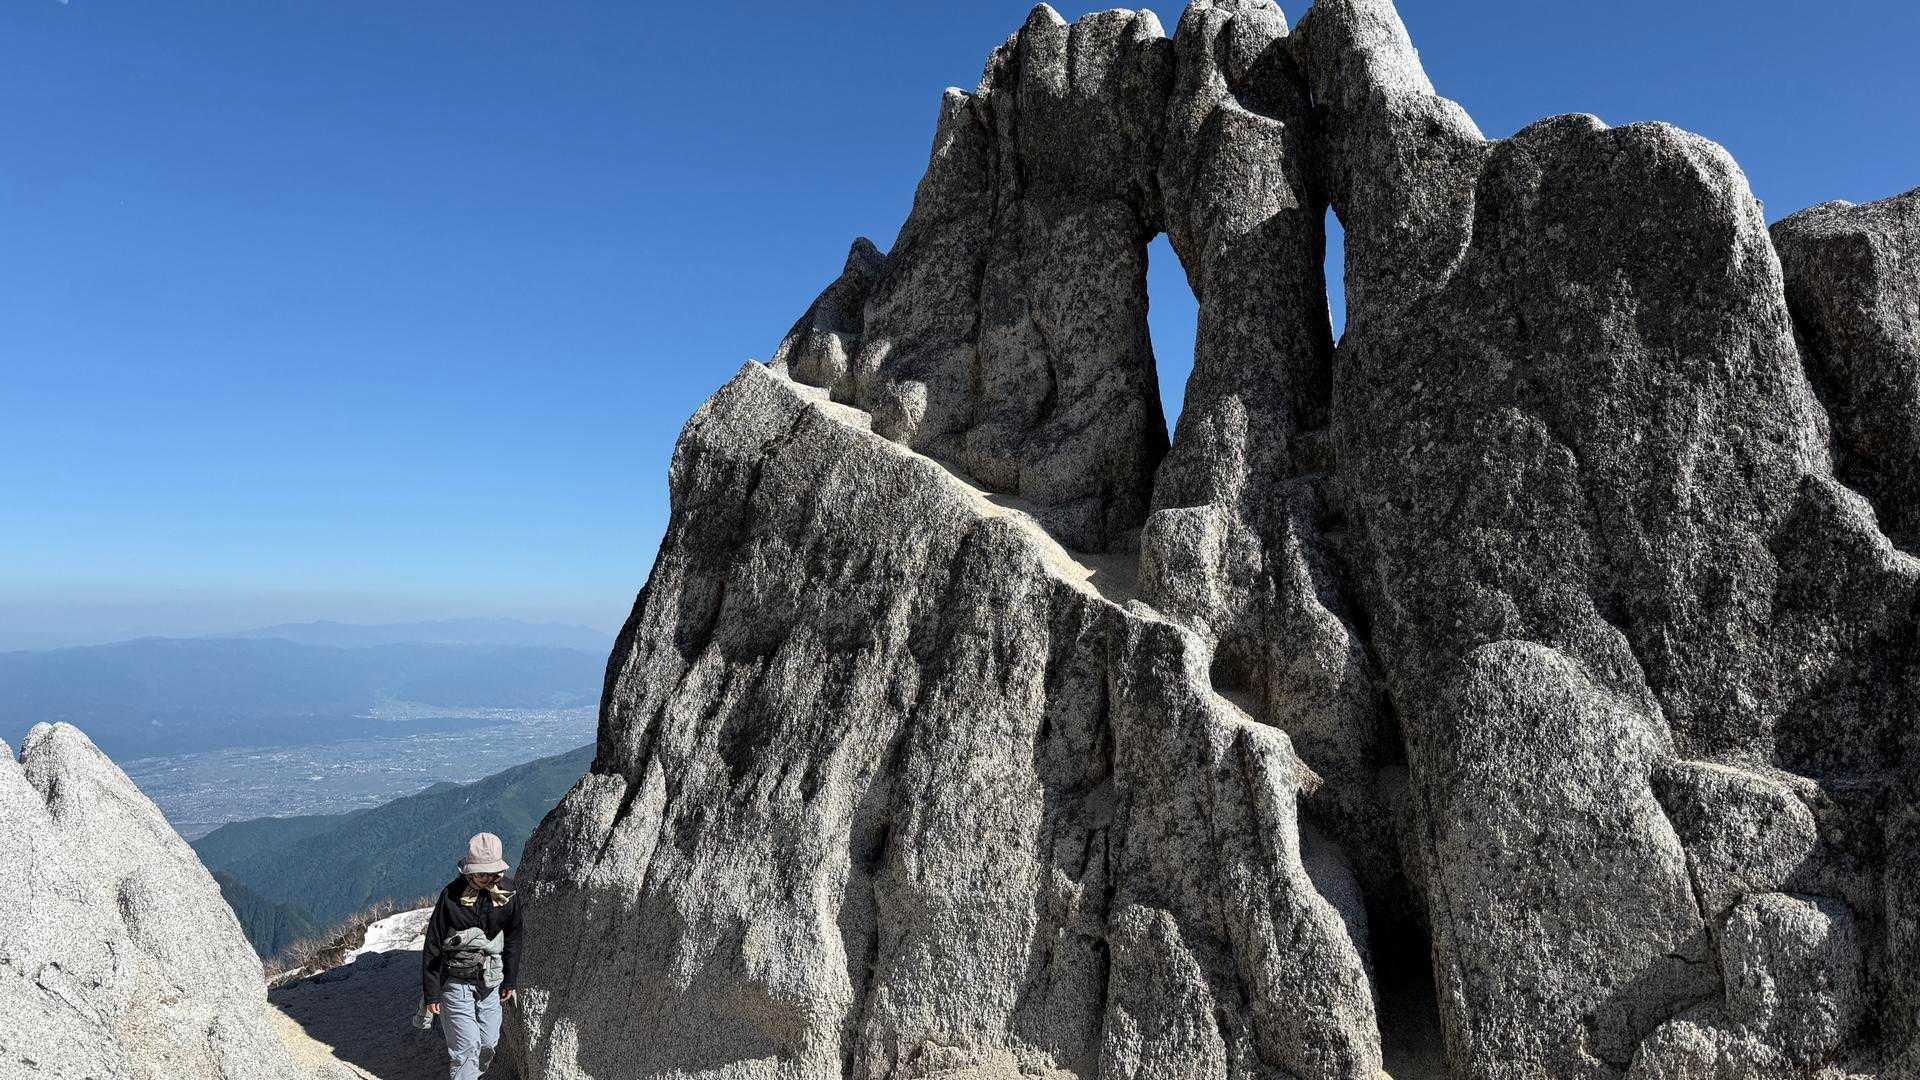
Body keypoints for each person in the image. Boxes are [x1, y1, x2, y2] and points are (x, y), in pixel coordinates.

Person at [422, 832, 525, 1080]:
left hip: (490, 980)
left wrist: (510, 979)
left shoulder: (508, 893)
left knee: (488, 1042)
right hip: (455, 979)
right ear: (469, 871)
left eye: (491, 873)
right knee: (466, 1047)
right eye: (480, 873)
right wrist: (432, 992)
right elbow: (433, 942)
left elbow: (513, 937)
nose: (486, 878)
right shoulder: (451, 895)